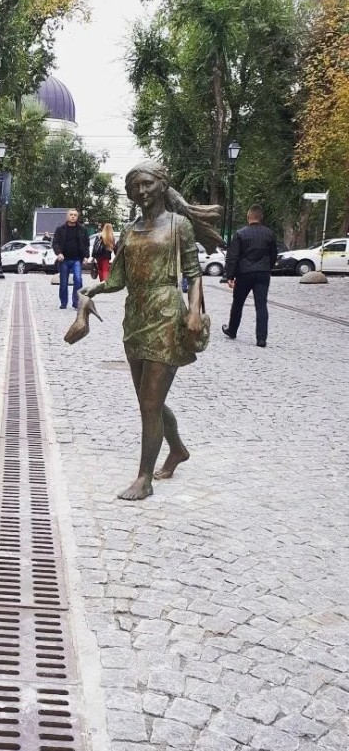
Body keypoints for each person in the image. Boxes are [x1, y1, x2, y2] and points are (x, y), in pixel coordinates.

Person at [65, 160, 223, 501]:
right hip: (135, 318)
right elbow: (118, 280)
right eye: (136, 186)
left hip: (167, 314)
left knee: (150, 403)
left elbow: (194, 273)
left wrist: (193, 311)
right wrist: (91, 291)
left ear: (162, 185)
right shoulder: (130, 230)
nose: (142, 191)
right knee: (148, 400)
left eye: (148, 183)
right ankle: (177, 449)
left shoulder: (179, 225)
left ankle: (144, 478)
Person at [222, 204, 277, 347]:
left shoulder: (240, 234)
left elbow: (233, 256)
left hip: (244, 273)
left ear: (248, 217)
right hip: (263, 274)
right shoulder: (269, 234)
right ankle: (261, 338)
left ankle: (232, 330)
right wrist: (267, 268)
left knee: (238, 303)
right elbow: (273, 255)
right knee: (261, 305)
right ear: (261, 217)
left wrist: (230, 276)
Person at [52, 209, 89, 309]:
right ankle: (64, 302)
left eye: (75, 215)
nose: (73, 216)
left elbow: (86, 244)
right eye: (71, 215)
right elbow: (55, 243)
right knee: (63, 282)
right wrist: (59, 253)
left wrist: (86, 256)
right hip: (64, 260)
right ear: (67, 216)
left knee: (78, 280)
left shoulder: (82, 230)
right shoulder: (60, 229)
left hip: (77, 259)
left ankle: (76, 302)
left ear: (77, 217)